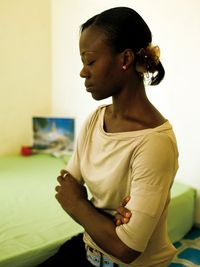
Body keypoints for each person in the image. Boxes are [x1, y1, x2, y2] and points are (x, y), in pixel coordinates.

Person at [37, 6, 179, 267]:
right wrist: (107, 220)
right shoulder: (95, 120)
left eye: (90, 61)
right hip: (88, 250)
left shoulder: (155, 143)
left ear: (125, 60)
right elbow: (66, 186)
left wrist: (80, 204)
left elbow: (126, 248)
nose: (83, 72)